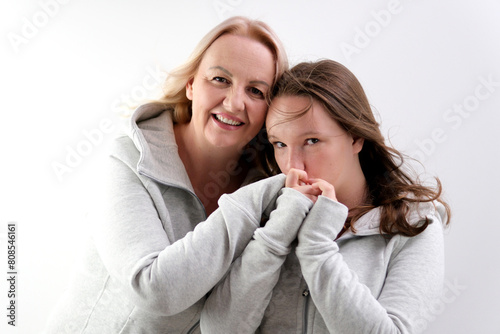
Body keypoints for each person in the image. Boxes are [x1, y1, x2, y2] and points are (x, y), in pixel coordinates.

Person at [44, 16, 288, 334]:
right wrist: (258, 199)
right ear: (191, 84)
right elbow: (154, 289)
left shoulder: (266, 193)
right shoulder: (130, 157)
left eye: (255, 90)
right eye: (220, 80)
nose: (234, 102)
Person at [200, 59, 451, 333]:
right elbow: (218, 329)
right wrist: (275, 236)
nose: (294, 165)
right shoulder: (264, 215)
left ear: (355, 137)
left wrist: (316, 248)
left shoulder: (415, 224)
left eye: (312, 141)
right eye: (280, 144)